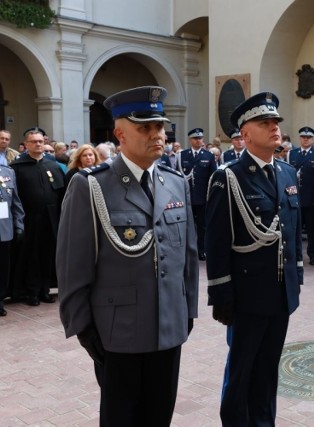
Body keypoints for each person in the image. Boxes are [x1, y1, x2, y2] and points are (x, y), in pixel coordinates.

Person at [57, 86, 199, 426]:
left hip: (169, 327)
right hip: (117, 332)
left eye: (160, 127)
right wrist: (83, 328)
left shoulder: (175, 182)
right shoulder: (91, 186)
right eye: (145, 128)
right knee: (122, 419)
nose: (157, 135)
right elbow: (72, 265)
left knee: (158, 416)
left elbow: (188, 257)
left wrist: (186, 311)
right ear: (120, 133)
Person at [205, 91, 303, 426]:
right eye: (265, 123)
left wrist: (297, 277)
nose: (274, 128)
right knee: (241, 372)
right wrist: (221, 294)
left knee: (268, 371)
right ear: (245, 134)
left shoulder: (288, 173)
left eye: (276, 121)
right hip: (246, 296)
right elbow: (217, 243)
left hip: (280, 293)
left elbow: (293, 231)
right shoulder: (228, 177)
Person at [10, 127, 64, 305]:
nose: (38, 144)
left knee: (47, 255)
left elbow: (62, 192)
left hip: (51, 219)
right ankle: (32, 292)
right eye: (34, 141)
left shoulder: (53, 165)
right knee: (31, 255)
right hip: (29, 218)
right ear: (26, 144)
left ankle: (45, 289)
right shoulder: (17, 167)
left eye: (41, 141)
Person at [177, 127, 217, 260]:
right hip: (186, 197)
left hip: (202, 197)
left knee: (202, 226)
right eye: (195, 138)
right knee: (186, 225)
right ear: (190, 140)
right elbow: (177, 177)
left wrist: (211, 197)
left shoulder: (208, 156)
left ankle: (202, 249)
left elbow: (213, 178)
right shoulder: (182, 155)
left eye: (200, 138)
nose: (198, 140)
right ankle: (187, 249)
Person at [288, 126, 314, 265]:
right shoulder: (292, 154)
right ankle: (295, 255)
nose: (306, 139)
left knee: (312, 230)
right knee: (295, 230)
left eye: (308, 137)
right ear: (300, 138)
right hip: (295, 198)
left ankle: (312, 254)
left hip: (311, 198)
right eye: (303, 137)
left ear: (312, 139)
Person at [0, 164, 24, 316]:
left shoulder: (8, 172)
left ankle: (0, 299)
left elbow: (15, 201)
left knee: (2, 268)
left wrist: (19, 224)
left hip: (4, 229)